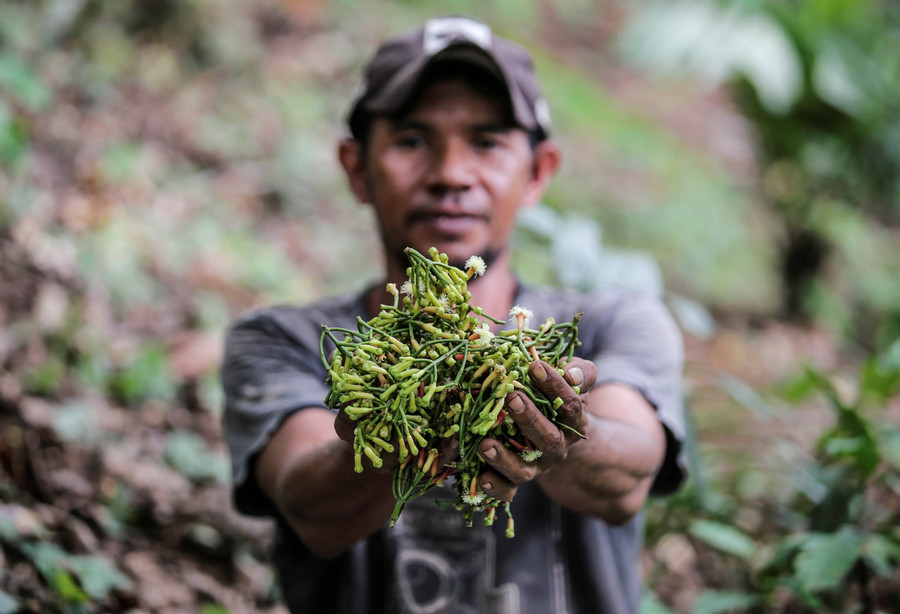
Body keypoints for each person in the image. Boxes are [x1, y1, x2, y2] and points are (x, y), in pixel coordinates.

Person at [222, 16, 686, 614]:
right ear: (357, 167)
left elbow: (628, 477)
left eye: (487, 143)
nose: (450, 175)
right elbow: (312, 508)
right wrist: (415, 403)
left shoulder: (614, 325)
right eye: (413, 141)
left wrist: (564, 431)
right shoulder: (282, 341)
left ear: (539, 172)